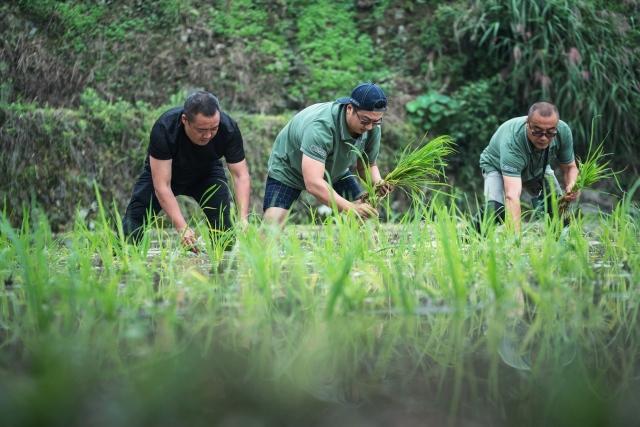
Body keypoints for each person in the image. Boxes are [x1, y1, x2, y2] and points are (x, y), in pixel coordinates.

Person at [122, 90, 251, 249]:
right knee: (133, 222)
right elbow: (162, 186)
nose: (208, 135)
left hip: (207, 174)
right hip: (166, 174)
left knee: (224, 230)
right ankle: (126, 261)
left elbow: (240, 176)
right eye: (201, 130)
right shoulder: (165, 128)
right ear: (185, 120)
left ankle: (223, 268)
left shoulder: (228, 128)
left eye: (214, 129)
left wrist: (243, 218)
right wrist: (181, 226)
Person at [262, 82, 392, 224]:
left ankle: (358, 246)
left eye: (375, 122)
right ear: (350, 108)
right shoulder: (321, 127)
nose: (369, 127)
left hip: (335, 171)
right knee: (272, 226)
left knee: (364, 217)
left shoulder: (372, 127)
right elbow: (313, 183)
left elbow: (367, 165)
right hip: (288, 170)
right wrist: (350, 207)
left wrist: (379, 183)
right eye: (365, 120)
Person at [478, 102, 579, 232]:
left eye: (550, 132)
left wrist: (572, 185)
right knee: (496, 208)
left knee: (558, 206)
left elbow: (570, 167)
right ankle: (467, 238)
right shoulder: (512, 142)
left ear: (556, 126)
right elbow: (512, 196)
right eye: (537, 132)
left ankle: (562, 244)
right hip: (496, 166)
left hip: (537, 166)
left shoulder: (563, 131)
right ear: (527, 124)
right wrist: (515, 241)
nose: (543, 138)